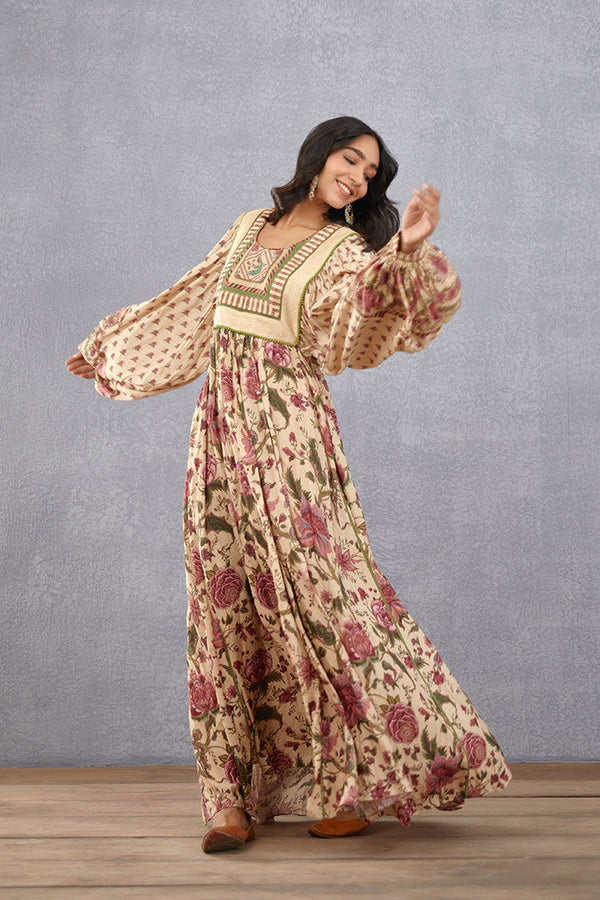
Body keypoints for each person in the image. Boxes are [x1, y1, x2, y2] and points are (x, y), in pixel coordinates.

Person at [66, 116, 511, 853]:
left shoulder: (346, 251)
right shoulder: (248, 227)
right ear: (318, 155)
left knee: (323, 600)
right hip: (220, 439)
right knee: (224, 602)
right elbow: (192, 305)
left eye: (371, 173)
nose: (359, 178)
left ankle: (351, 785)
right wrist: (114, 349)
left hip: (292, 436)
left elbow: (361, 316)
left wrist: (406, 247)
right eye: (351, 159)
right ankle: (228, 803)